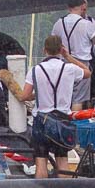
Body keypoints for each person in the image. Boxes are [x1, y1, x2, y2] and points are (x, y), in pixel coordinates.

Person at [20, 34, 84, 180]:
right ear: (61, 49)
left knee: (41, 161)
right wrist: (68, 57)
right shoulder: (69, 69)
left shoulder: (35, 70)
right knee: (62, 160)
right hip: (62, 120)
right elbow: (87, 72)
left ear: (44, 50)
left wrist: (37, 94)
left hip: (42, 120)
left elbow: (24, 96)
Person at [52, 0, 95, 105]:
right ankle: (77, 120)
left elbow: (53, 41)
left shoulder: (59, 23)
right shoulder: (86, 24)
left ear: (69, 8)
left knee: (66, 96)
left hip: (64, 63)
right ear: (83, 7)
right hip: (82, 63)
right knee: (79, 99)